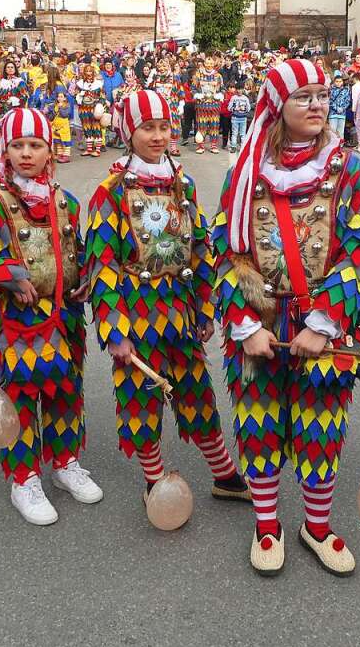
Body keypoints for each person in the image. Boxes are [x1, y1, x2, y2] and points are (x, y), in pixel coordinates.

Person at [213, 59, 360, 576]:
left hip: (324, 329)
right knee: (259, 426)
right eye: (303, 96)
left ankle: (315, 526)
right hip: (260, 327)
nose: (316, 105)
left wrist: (323, 323)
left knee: (320, 429)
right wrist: (245, 325)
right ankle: (266, 523)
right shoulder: (243, 175)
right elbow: (226, 252)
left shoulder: (352, 170)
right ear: (276, 106)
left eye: (321, 95)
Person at [84, 90, 250, 511]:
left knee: (196, 388)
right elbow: (102, 266)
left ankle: (224, 473)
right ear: (128, 131)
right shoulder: (111, 192)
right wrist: (115, 330)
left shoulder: (183, 184)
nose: (157, 136)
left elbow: (199, 248)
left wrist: (204, 306)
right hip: (136, 312)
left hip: (179, 309)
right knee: (141, 396)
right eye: (147, 128)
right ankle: (154, 479)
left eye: (163, 127)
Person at [0, 108, 103, 525]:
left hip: (63, 316)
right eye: (17, 146)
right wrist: (8, 275)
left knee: (64, 392)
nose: (26, 153)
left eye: (35, 145)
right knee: (20, 397)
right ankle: (24, 479)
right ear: (4, 152)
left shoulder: (65, 200)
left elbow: (82, 251)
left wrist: (86, 279)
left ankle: (65, 463)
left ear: (49, 150)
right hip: (13, 320)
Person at [192, 53, 224, 154]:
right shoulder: (198, 74)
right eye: (207, 63)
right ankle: (200, 146)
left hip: (214, 106)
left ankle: (213, 145)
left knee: (214, 126)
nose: (209, 65)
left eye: (211, 63)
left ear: (214, 64)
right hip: (202, 106)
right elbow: (193, 88)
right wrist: (197, 95)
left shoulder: (218, 76)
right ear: (204, 63)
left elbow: (223, 88)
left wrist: (220, 95)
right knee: (201, 125)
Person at [75, 63, 106, 157]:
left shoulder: (98, 84)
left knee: (96, 128)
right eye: (87, 71)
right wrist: (80, 95)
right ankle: (89, 149)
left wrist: (98, 102)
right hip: (83, 109)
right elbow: (75, 95)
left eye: (90, 71)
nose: (88, 73)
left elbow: (103, 96)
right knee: (86, 128)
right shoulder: (80, 84)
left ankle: (97, 150)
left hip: (94, 109)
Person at [227, 86, 251, 154]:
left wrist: (244, 108)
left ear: (243, 89)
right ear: (236, 90)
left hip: (243, 118)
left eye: (240, 89)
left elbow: (248, 108)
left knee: (243, 134)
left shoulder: (245, 98)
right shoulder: (233, 97)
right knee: (234, 133)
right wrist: (235, 109)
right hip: (235, 118)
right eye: (238, 89)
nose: (239, 90)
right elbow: (229, 108)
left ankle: (242, 148)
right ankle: (233, 147)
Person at [327, 70, 350, 138]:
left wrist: (343, 108)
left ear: (342, 82)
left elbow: (348, 101)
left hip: (342, 114)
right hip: (333, 114)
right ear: (334, 82)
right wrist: (336, 108)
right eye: (337, 81)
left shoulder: (346, 90)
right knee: (333, 131)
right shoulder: (330, 90)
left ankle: (340, 146)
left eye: (340, 81)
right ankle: (333, 146)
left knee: (341, 131)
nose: (338, 83)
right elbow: (329, 101)